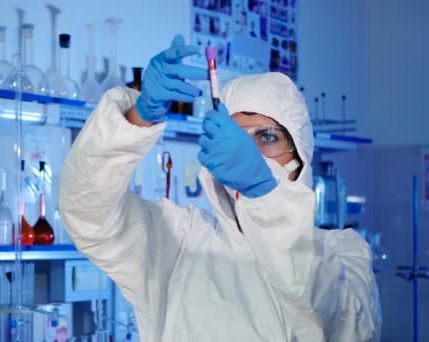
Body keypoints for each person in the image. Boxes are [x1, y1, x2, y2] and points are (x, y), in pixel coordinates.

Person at [59, 35, 381, 341]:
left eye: (267, 137)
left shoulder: (342, 252)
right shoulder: (180, 240)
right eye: (237, 137)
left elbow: (342, 327)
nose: (249, 152)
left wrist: (263, 191)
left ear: (300, 153)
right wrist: (137, 118)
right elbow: (88, 213)